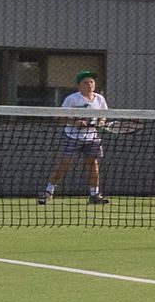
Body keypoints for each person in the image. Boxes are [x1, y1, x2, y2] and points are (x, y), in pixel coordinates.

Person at [43, 71, 111, 204]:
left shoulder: (100, 99)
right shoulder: (72, 99)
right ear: (79, 86)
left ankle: (94, 195)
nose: (89, 85)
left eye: (91, 82)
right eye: (85, 82)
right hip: (72, 137)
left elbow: (103, 116)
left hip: (92, 138)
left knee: (93, 164)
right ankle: (48, 191)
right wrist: (75, 123)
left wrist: (100, 122)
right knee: (64, 164)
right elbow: (60, 118)